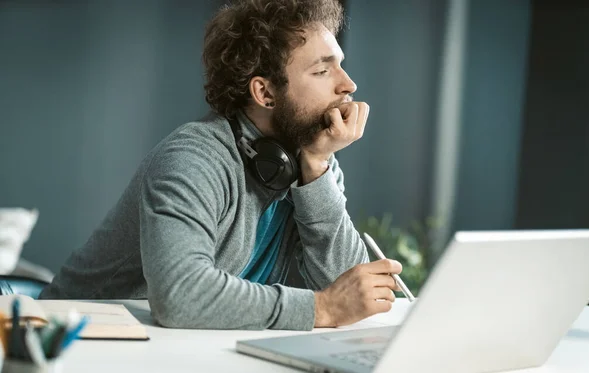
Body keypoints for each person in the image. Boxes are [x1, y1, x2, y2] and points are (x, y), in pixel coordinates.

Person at [40, 0, 403, 330]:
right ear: (265, 93)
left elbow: (345, 293)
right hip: (74, 343)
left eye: (341, 65)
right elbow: (180, 296)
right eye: (323, 72)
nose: (349, 84)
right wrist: (319, 309)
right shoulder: (192, 158)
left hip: (188, 347)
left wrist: (318, 169)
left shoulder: (311, 158)